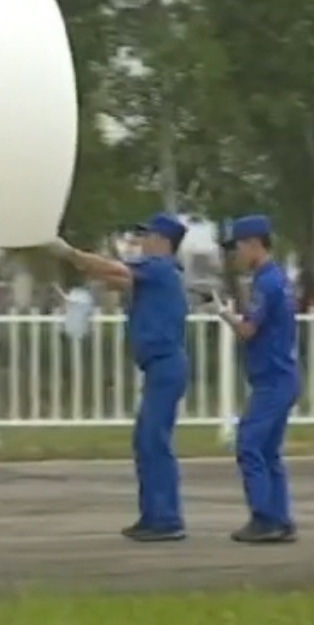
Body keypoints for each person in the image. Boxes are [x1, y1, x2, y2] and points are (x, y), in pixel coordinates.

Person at [48, 214, 191, 542]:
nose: (141, 241)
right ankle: (154, 515)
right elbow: (114, 278)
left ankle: (166, 519)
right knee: (146, 440)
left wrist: (69, 253)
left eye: (148, 235)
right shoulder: (155, 273)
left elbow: (116, 271)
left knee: (154, 441)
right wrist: (84, 285)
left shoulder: (160, 268)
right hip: (159, 366)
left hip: (166, 364)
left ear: (163, 241)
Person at [216, 213, 301, 543]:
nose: (236, 256)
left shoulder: (265, 283)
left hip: (272, 379)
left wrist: (222, 313)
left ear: (253, 244)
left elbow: (249, 330)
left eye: (237, 247)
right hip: (285, 375)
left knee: (249, 445)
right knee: (269, 452)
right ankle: (281, 518)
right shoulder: (280, 278)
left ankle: (264, 518)